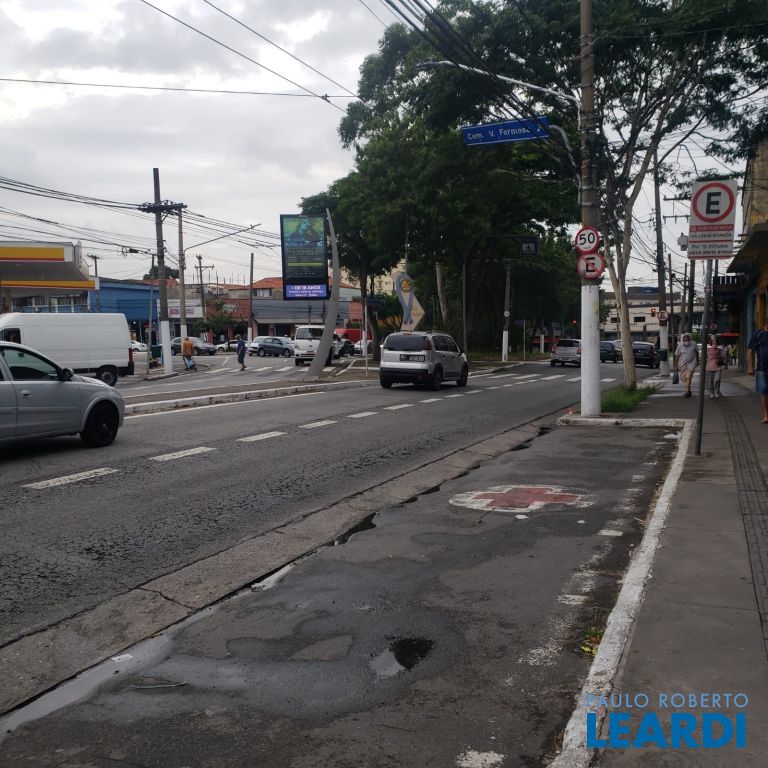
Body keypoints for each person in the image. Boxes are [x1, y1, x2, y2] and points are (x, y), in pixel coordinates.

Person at [747, 318, 768, 423]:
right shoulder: (759, 333)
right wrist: (750, 367)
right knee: (764, 392)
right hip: (762, 368)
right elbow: (750, 350)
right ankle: (766, 415)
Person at [673, 334, 699, 398]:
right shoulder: (680, 345)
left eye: (687, 340)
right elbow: (677, 356)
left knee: (688, 377)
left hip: (692, 363)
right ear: (683, 340)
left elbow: (697, 352)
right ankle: (688, 390)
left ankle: (688, 391)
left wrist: (697, 360)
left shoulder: (693, 344)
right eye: (685, 340)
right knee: (684, 378)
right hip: (683, 363)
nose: (686, 342)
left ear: (690, 340)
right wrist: (676, 366)